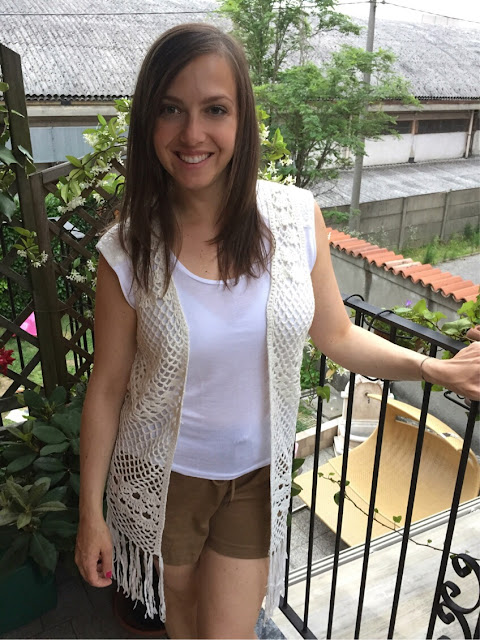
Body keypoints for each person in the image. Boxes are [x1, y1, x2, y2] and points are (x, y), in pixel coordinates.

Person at [74, 23, 480, 640]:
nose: (192, 134)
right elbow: (107, 388)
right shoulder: (128, 250)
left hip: (256, 478)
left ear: (242, 120)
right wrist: (91, 513)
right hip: (164, 480)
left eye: (215, 109)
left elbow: (338, 336)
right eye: (171, 110)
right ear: (147, 123)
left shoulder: (293, 220)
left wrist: (432, 368)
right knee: (183, 621)